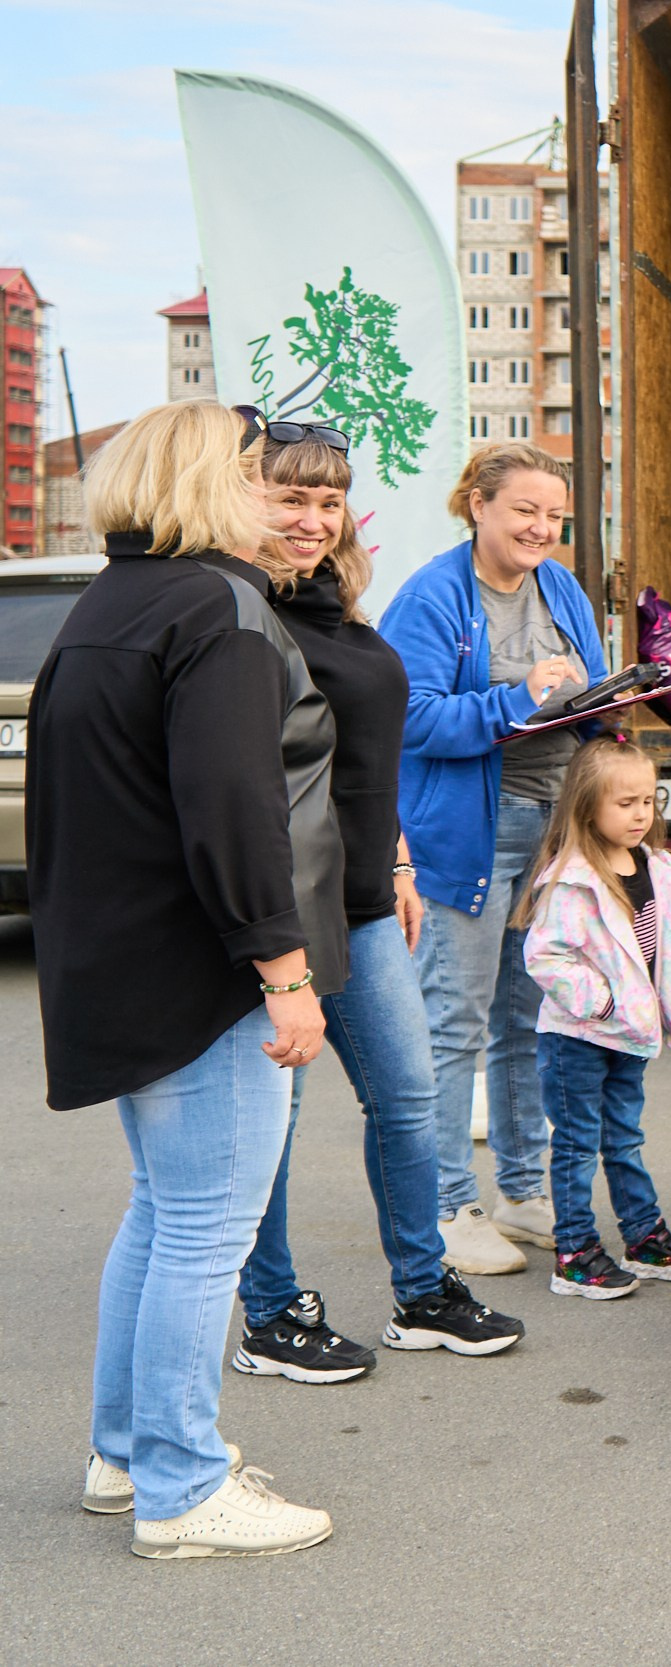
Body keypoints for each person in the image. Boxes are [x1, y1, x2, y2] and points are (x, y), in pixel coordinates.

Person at [37, 401, 342, 1556]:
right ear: (214, 479)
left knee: (166, 1212)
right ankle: (181, 1484)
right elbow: (234, 808)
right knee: (209, 1222)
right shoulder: (217, 608)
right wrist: (283, 970)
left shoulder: (109, 603)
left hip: (121, 957)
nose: (274, 492)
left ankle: (127, 1456)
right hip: (204, 967)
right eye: (256, 472)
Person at [230, 434, 526, 1383]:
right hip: (281, 912)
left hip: (361, 898)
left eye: (329, 503)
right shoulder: (233, 613)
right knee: (271, 1118)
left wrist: (395, 856)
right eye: (291, 501)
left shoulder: (337, 606)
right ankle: (271, 1311)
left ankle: (422, 1292)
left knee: (405, 1097)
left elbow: (365, 758)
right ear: (244, 499)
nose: (312, 522)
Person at [381, 443, 606, 1276]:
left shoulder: (562, 588)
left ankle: (518, 1191)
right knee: (454, 1026)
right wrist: (518, 701)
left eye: (554, 516)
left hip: (552, 831)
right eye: (526, 512)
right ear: (477, 504)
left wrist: (609, 707)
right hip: (467, 837)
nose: (542, 529)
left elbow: (581, 696)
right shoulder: (434, 595)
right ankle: (444, 1208)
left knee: (525, 1021)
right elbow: (409, 721)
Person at [519, 737, 671, 1298]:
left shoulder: (658, 867)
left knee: (624, 1138)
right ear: (587, 807)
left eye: (647, 801)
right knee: (577, 1144)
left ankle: (642, 1237)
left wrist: (658, 1015)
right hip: (576, 1036)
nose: (640, 814)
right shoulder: (571, 877)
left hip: (628, 1036)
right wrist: (602, 1003)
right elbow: (544, 956)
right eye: (625, 804)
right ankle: (574, 1253)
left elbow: (666, 950)